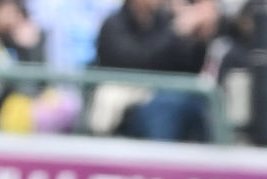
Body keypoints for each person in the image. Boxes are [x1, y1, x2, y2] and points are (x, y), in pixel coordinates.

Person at [93, 0, 219, 141]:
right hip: (128, 101)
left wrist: (199, 38)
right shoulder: (114, 24)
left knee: (197, 103)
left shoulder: (163, 21)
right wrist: (175, 31)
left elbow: (188, 69)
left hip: (163, 94)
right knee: (165, 106)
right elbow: (136, 62)